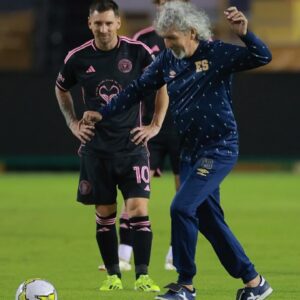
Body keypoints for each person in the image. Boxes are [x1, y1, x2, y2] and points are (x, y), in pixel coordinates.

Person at [82, 2, 273, 300]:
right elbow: (135, 90)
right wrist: (103, 113)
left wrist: (246, 35)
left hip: (218, 148)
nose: (166, 44)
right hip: (190, 152)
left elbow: (263, 56)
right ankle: (254, 282)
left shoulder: (216, 52)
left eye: (171, 38)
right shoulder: (168, 60)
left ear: (191, 32)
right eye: (164, 38)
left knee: (181, 207)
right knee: (209, 220)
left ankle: (185, 285)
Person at [55, 0, 164, 292]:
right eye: (97, 23)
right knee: (105, 214)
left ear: (118, 23)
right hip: (97, 150)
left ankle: (142, 276)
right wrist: (72, 122)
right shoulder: (77, 58)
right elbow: (61, 88)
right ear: (89, 24)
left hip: (132, 146)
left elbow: (161, 83)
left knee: (139, 209)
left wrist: (155, 124)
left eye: (108, 23)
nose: (103, 29)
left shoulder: (137, 52)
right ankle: (113, 276)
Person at [116, 0, 190, 273]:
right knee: (135, 189)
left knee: (185, 198)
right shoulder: (143, 40)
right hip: (151, 128)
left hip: (186, 128)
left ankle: (176, 253)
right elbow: (132, 84)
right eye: (160, 1)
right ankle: (123, 254)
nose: (165, 5)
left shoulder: (198, 37)